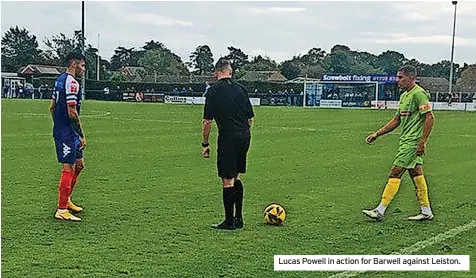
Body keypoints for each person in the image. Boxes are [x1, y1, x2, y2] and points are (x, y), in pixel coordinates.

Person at [363, 65, 435, 221]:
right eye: (397, 77)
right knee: (416, 173)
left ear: (411, 77)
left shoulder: (419, 94)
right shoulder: (404, 96)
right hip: (405, 141)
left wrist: (422, 141)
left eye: (400, 77)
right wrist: (377, 134)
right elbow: (396, 120)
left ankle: (380, 210)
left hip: (412, 143)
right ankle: (426, 211)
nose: (397, 81)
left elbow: (430, 117)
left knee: (395, 172)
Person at [201, 59, 255, 230]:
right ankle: (238, 218)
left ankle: (228, 221)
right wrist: (244, 133)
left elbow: (207, 122)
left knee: (227, 179)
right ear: (230, 72)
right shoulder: (241, 89)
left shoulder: (213, 91)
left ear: (216, 73)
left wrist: (205, 143)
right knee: (236, 176)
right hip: (244, 136)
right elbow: (250, 119)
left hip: (228, 137)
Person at [50, 51, 87, 221]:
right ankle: (61, 209)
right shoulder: (72, 83)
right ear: (74, 63)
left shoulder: (59, 80)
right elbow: (72, 112)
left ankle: (67, 199)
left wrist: (57, 123)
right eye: (82, 65)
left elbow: (51, 107)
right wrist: (80, 134)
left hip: (65, 130)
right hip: (67, 132)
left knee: (79, 164)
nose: (83, 69)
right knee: (68, 167)